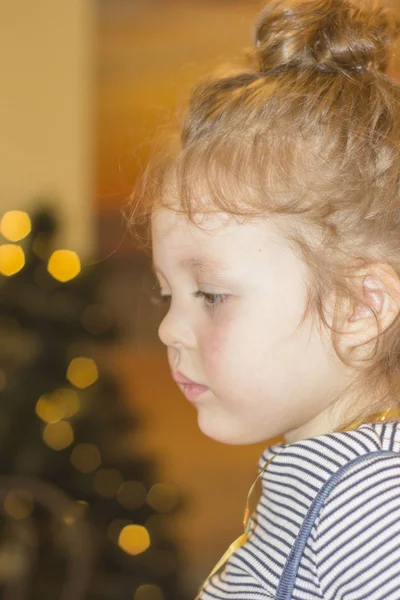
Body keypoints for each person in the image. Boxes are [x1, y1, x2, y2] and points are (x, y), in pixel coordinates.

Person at [129, 0, 400, 597]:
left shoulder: (376, 511)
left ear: (358, 307)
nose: (170, 330)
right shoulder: (326, 479)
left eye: (213, 295)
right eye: (167, 294)